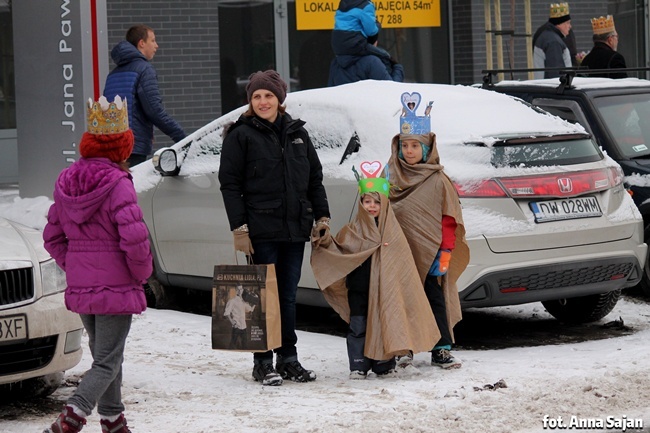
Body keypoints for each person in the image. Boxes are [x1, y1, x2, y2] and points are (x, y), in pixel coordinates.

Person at [42, 96, 153, 433]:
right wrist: (141, 274)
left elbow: (52, 236)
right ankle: (71, 417)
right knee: (107, 360)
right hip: (116, 287)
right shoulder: (119, 184)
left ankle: (113, 419)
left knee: (106, 355)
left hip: (83, 287)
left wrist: (74, 265)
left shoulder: (66, 181)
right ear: (122, 147)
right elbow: (134, 240)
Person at [218, 70, 330, 386]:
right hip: (260, 229)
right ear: (250, 101)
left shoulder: (297, 134)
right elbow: (230, 184)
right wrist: (239, 228)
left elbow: (314, 179)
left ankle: (289, 359)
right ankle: (263, 362)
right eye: (257, 96)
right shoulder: (240, 135)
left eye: (268, 96)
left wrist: (322, 218)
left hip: (295, 227)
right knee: (260, 296)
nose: (263, 101)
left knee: (288, 297)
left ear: (279, 99)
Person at [310, 163, 440, 379]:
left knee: (386, 322)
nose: (371, 206)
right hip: (359, 290)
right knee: (358, 327)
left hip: (386, 292)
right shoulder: (352, 231)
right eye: (366, 201)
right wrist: (323, 240)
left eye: (376, 202)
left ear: (385, 203)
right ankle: (358, 365)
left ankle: (383, 364)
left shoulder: (394, 234)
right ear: (360, 203)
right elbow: (339, 250)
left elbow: (403, 266)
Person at [384, 93, 470, 369]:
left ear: (427, 148)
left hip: (431, 253)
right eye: (405, 145)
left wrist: (445, 252)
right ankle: (404, 346)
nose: (409, 151)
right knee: (401, 297)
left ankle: (441, 348)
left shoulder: (437, 180)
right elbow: (377, 210)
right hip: (398, 251)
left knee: (434, 300)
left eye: (415, 146)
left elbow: (448, 218)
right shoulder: (390, 176)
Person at [103, 24, 186, 166]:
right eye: (153, 41)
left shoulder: (113, 73)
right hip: (132, 147)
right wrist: (182, 137)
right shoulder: (144, 69)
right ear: (141, 43)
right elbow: (154, 110)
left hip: (110, 145)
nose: (156, 46)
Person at [532, 3, 573, 79]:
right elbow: (556, 75)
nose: (570, 26)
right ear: (559, 24)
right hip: (553, 88)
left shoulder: (548, 37)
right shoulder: (554, 42)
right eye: (568, 23)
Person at [224, 285, 255, 350]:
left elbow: (250, 309)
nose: (239, 291)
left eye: (241, 289)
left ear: (242, 290)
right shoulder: (232, 301)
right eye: (238, 289)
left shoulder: (243, 301)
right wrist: (232, 322)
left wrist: (255, 302)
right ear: (236, 290)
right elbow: (227, 313)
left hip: (244, 326)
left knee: (245, 344)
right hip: (236, 326)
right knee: (232, 344)